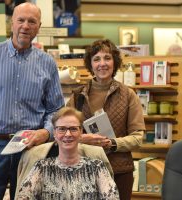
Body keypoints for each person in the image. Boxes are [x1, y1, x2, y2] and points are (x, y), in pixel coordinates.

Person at [0, 2, 64, 200]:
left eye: (32, 22)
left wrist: (46, 133)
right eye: (21, 20)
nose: (25, 26)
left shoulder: (47, 63)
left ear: (38, 27)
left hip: (31, 149)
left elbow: (56, 109)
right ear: (12, 23)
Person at [67, 39, 145, 200]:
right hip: (84, 169)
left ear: (114, 62)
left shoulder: (128, 94)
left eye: (107, 58)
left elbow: (137, 138)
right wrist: (82, 139)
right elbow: (63, 134)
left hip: (119, 171)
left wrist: (112, 143)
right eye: (96, 59)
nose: (102, 63)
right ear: (90, 64)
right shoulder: (77, 96)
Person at [16, 107, 119, 200]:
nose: (68, 134)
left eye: (73, 129)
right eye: (62, 129)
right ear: (55, 134)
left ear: (81, 132)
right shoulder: (41, 167)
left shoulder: (97, 167)